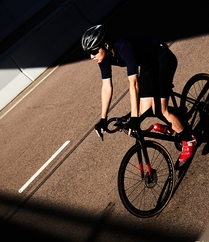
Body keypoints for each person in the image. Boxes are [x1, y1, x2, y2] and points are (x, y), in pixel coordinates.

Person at [81, 24, 197, 163]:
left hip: (163, 58)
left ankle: (190, 140)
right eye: (89, 53)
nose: (91, 56)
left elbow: (134, 83)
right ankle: (177, 117)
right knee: (147, 109)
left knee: (162, 109)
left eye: (94, 51)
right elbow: (106, 87)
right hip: (149, 64)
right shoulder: (103, 59)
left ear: (105, 45)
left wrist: (135, 118)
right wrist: (103, 118)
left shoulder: (124, 47)